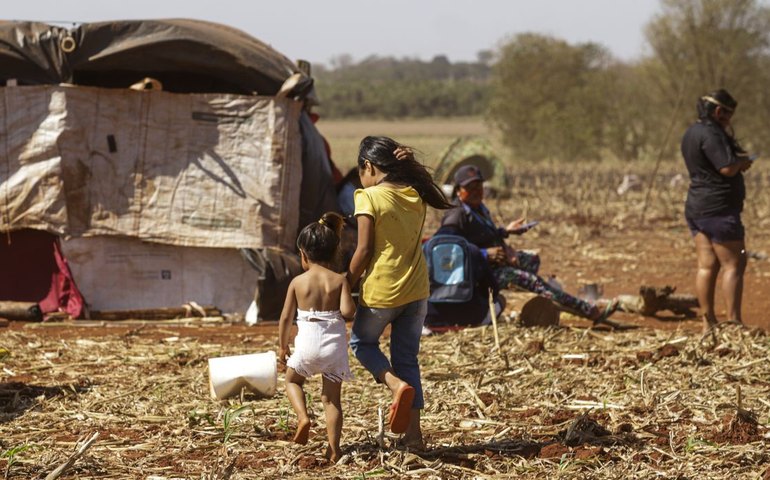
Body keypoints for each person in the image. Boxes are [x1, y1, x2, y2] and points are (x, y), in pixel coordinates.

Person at [347, 136, 453, 449]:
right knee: (407, 358)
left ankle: (395, 386)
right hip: (417, 289)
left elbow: (364, 249)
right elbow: (432, 190)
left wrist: (346, 281)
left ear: (368, 165)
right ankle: (414, 439)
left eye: (361, 171)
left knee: (362, 343)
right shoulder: (415, 191)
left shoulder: (368, 197)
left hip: (382, 290)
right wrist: (413, 168)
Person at [437, 165, 618, 324]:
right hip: (478, 275)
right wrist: (485, 254)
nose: (477, 191)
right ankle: (588, 310)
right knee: (531, 280)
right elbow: (447, 250)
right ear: (459, 190)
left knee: (531, 261)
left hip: (493, 263)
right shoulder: (456, 215)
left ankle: (551, 299)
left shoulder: (478, 208)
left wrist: (505, 235)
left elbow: (482, 235)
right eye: (470, 187)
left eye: (479, 186)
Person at [278, 212, 355, 463]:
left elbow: (285, 319)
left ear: (303, 254)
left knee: (292, 382)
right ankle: (334, 448)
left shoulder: (298, 282)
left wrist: (282, 347)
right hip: (333, 347)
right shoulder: (340, 280)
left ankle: (303, 417)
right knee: (332, 399)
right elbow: (347, 312)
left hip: (307, 346)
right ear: (334, 252)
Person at [681, 89, 753, 333]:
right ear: (719, 111)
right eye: (729, 115)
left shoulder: (691, 132)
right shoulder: (712, 133)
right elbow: (726, 168)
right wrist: (743, 162)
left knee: (707, 265)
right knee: (735, 263)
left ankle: (707, 323)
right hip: (719, 209)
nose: (730, 121)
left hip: (696, 208)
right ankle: (734, 323)